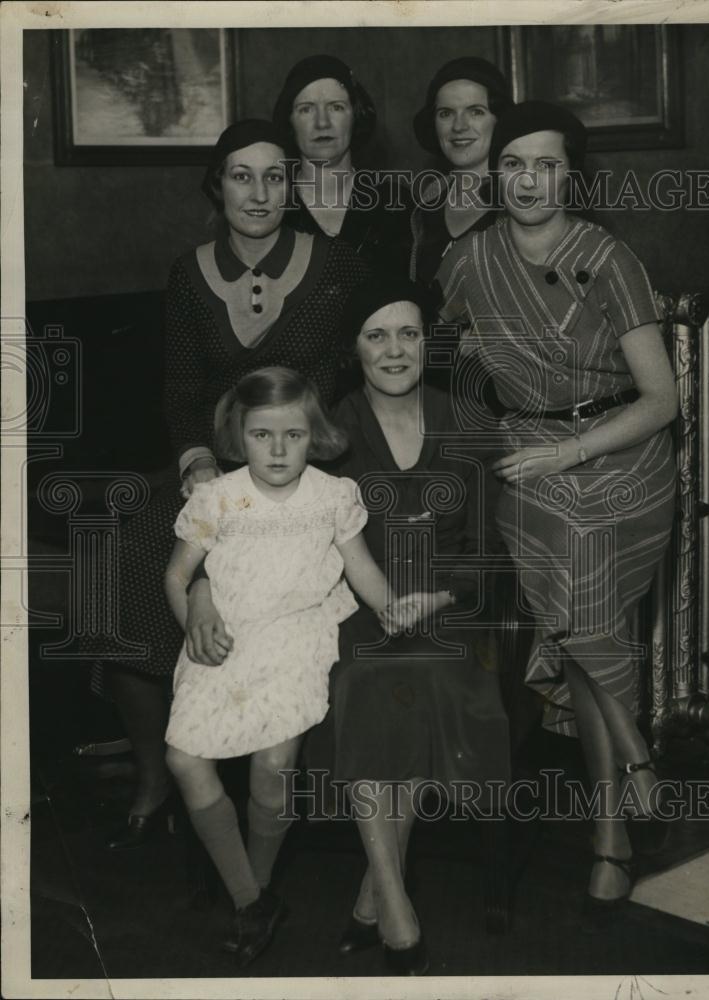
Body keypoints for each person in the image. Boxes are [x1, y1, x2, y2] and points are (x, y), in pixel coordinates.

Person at [187, 277, 511, 975]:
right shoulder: (328, 431)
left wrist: (435, 599)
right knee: (367, 679)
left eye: (409, 333)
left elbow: (488, 557)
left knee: (428, 680)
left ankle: (373, 894)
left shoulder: (466, 420)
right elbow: (252, 530)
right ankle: (393, 894)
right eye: (376, 335)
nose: (395, 350)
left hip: (451, 611)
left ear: (429, 342)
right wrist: (205, 587)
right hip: (357, 611)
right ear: (354, 351)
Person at [97, 119, 369, 851]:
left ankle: (273, 773)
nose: (259, 192)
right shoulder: (190, 272)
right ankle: (158, 772)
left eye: (274, 176)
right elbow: (181, 387)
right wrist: (195, 463)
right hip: (212, 470)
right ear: (217, 185)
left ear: (294, 183)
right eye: (241, 176)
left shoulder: (335, 262)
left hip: (302, 469)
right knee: (132, 561)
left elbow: (348, 379)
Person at [437, 101, 678, 918]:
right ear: (494, 173)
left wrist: (571, 451)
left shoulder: (609, 257)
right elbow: (434, 346)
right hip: (530, 462)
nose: (529, 178)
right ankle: (630, 777)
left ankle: (613, 826)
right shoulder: (469, 259)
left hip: (622, 456)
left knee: (582, 632)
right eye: (514, 163)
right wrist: (470, 351)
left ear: (571, 173)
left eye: (546, 163)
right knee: (583, 608)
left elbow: (663, 400)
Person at [163, 366, 410, 966]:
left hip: (297, 634)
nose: (277, 450)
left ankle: (257, 891)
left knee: (274, 763)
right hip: (224, 637)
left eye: (293, 436)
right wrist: (194, 620)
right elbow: (176, 574)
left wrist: (391, 609)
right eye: (261, 435)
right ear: (237, 435)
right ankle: (254, 900)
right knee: (183, 760)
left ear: (314, 434)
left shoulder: (332, 497)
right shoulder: (216, 497)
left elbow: (363, 570)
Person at [272, 54, 411, 274]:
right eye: (306, 109)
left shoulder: (396, 202)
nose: (322, 123)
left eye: (336, 107)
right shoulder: (270, 202)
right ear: (289, 121)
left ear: (356, 115)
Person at [409, 57, 513, 289]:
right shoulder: (428, 200)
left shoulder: (523, 199)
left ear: (499, 119)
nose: (458, 126)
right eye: (445, 113)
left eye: (475, 112)